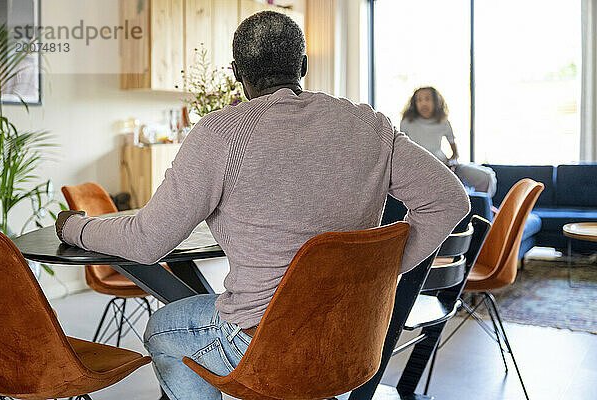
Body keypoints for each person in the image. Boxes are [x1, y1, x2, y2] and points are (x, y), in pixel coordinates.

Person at [55, 12, 470, 400]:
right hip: (351, 337)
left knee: (162, 329)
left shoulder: (221, 131)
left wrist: (77, 227)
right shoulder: (370, 124)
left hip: (260, 343)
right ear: (302, 66)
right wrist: (377, 271)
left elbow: (148, 241)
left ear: (236, 73)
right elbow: (450, 200)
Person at [400, 86, 497, 196]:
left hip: (443, 165)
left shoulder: (443, 122)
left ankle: (482, 207)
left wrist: (452, 163)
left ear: (436, 102)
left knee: (486, 175)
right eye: (419, 100)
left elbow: (455, 153)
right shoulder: (407, 122)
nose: (423, 103)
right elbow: (401, 151)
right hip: (418, 169)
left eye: (427, 99)